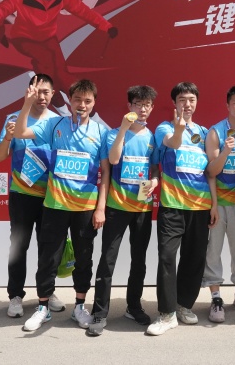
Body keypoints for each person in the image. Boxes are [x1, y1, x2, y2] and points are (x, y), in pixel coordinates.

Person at [13, 79, 109, 333]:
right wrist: (27, 104)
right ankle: (43, 308)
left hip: (85, 208)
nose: (82, 105)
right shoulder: (54, 124)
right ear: (70, 100)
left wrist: (100, 208)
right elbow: (20, 133)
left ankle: (79, 306)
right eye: (77, 99)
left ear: (94, 103)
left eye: (87, 101)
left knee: (83, 259)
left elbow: (106, 173)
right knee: (48, 258)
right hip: (55, 205)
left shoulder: (101, 132)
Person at [0, 0, 118, 107]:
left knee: (60, 68)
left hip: (48, 37)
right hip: (24, 37)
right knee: (45, 58)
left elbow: (84, 11)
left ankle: (75, 93)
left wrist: (106, 26)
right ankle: (51, 90)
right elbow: (0, 11)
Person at [86, 85, 159, 337]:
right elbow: (114, 160)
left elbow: (155, 169)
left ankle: (133, 306)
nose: (142, 109)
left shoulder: (153, 138)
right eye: (138, 104)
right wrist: (124, 130)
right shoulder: (113, 134)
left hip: (142, 207)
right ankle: (99, 312)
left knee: (139, 261)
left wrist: (155, 181)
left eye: (147, 105)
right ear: (129, 106)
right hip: (116, 207)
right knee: (107, 260)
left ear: (152, 107)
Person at [146, 82, 218, 336]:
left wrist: (214, 204)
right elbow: (173, 143)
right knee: (167, 257)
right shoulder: (164, 128)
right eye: (182, 100)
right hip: (172, 206)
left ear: (196, 102)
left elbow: (210, 172)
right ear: (174, 103)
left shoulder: (205, 133)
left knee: (194, 258)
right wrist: (178, 130)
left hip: (200, 206)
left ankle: (183, 305)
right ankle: (166, 314)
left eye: (191, 100)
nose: (187, 104)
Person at [0, 74, 65, 319]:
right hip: (22, 194)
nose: (41, 96)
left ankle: (47, 292)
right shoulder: (14, 119)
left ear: (53, 94)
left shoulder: (58, 123)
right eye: (37, 91)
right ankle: (15, 295)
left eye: (46, 92)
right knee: (19, 246)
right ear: (29, 92)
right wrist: (8, 137)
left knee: (49, 247)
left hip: (51, 195)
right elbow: (0, 156)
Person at [202, 85, 235, 323]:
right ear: (227, 105)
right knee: (213, 250)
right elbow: (211, 172)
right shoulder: (215, 132)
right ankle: (215, 297)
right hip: (217, 202)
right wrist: (225, 151)